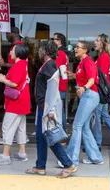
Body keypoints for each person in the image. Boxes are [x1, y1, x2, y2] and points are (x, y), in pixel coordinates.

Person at [26, 40, 76, 178]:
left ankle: (68, 164)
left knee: (50, 137)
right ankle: (40, 166)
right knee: (41, 137)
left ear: (46, 51)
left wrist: (52, 110)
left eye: (41, 49)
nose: (39, 51)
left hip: (47, 108)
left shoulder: (49, 66)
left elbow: (53, 90)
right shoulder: (48, 65)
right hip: (43, 106)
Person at [65, 41, 103, 167]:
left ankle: (71, 160)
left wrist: (84, 88)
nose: (75, 49)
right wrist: (72, 75)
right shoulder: (82, 62)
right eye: (75, 47)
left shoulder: (88, 62)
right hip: (88, 96)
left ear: (85, 50)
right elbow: (83, 77)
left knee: (77, 126)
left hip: (89, 96)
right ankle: (96, 157)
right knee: (85, 127)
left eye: (78, 47)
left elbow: (92, 79)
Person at [0, 43, 30, 165]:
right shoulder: (23, 64)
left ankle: (5, 155)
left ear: (18, 53)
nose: (10, 52)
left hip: (15, 102)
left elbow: (14, 83)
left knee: (7, 127)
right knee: (21, 128)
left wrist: (3, 79)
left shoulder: (18, 65)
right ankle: (22, 153)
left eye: (13, 50)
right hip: (22, 101)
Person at [0, 27, 25, 145]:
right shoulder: (14, 47)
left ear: (15, 34)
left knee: (10, 115)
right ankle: (17, 143)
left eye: (8, 33)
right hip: (11, 84)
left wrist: (4, 64)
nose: (6, 36)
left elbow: (18, 65)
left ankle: (3, 136)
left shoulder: (19, 47)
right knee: (18, 121)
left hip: (14, 87)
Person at [52, 33, 69, 132]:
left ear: (59, 41)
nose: (52, 41)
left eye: (54, 39)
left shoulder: (60, 53)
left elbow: (55, 70)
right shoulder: (62, 53)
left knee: (59, 112)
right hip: (60, 85)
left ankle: (61, 134)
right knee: (59, 111)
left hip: (58, 86)